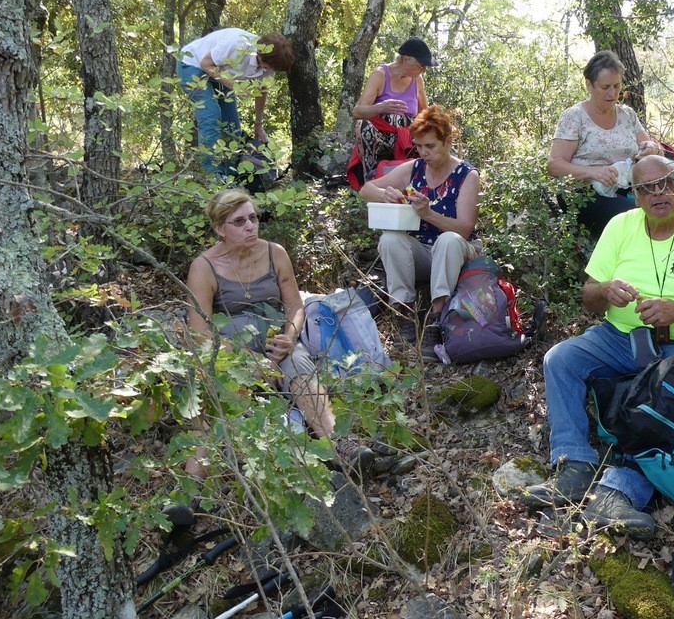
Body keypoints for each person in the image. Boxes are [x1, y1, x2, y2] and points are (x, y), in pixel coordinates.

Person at [523, 155, 674, 539]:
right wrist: (605, 290)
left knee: (672, 396)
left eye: (666, 184)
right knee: (561, 359)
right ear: (634, 195)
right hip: (616, 337)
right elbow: (589, 297)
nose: (658, 194)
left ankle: (619, 492)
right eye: (646, 188)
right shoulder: (620, 226)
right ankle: (574, 465)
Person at [185, 189, 378, 478]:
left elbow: (294, 304)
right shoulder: (204, 267)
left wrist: (290, 335)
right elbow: (201, 335)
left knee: (299, 366)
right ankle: (190, 488)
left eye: (253, 218)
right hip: (230, 352)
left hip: (277, 343)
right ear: (219, 229)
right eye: (239, 222)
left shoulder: (274, 253)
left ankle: (338, 445)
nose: (250, 226)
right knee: (215, 393)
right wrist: (247, 361)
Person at [358, 104, 480, 362]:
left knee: (448, 240)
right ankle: (404, 311)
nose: (424, 152)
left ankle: (437, 319)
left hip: (457, 251)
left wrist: (429, 214)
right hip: (423, 252)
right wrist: (384, 194)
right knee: (390, 238)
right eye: (419, 146)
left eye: (430, 146)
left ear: (447, 142)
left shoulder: (466, 174)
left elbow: (465, 228)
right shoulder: (414, 168)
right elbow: (365, 189)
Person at [548, 50, 667, 239]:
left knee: (669, 208)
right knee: (634, 218)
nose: (612, 93)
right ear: (589, 85)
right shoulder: (574, 117)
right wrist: (595, 172)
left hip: (627, 185)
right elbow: (554, 165)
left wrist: (652, 150)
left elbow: (651, 146)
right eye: (605, 87)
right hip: (585, 193)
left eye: (617, 86)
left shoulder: (627, 115)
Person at [177, 28, 294, 176]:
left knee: (232, 127)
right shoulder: (237, 44)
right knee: (211, 115)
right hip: (193, 65)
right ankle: (210, 176)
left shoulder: (271, 64)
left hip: (221, 74)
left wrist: (259, 124)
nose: (270, 71)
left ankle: (231, 176)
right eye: (268, 67)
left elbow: (261, 91)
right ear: (260, 55)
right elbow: (206, 63)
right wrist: (234, 86)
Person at [349, 37, 434, 186]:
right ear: (406, 59)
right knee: (362, 126)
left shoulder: (418, 80)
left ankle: (427, 181)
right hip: (380, 137)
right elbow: (357, 112)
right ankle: (371, 180)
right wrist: (380, 108)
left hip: (407, 140)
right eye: (421, 65)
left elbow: (425, 114)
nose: (424, 70)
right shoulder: (380, 74)